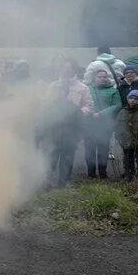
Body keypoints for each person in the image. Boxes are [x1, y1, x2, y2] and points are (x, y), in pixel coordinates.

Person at [43, 59, 93, 187]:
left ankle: (63, 184)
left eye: (69, 68)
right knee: (51, 158)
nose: (66, 70)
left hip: (70, 132)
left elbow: (88, 106)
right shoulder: (54, 85)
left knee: (67, 159)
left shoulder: (82, 88)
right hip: (54, 134)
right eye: (63, 68)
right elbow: (45, 107)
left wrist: (77, 114)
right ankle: (46, 182)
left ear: (74, 69)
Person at [85, 69, 122, 179]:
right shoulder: (88, 89)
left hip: (105, 124)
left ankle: (102, 173)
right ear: (94, 78)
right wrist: (90, 112)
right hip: (89, 123)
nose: (102, 79)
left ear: (108, 78)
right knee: (90, 149)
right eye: (99, 77)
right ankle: (91, 173)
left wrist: (102, 113)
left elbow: (117, 105)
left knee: (103, 149)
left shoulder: (113, 91)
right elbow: (84, 102)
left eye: (104, 77)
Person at [116, 90, 138, 181]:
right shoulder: (123, 111)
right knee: (127, 158)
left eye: (136, 99)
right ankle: (128, 174)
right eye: (131, 98)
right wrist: (118, 136)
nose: (133, 100)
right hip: (126, 139)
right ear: (128, 99)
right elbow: (118, 125)